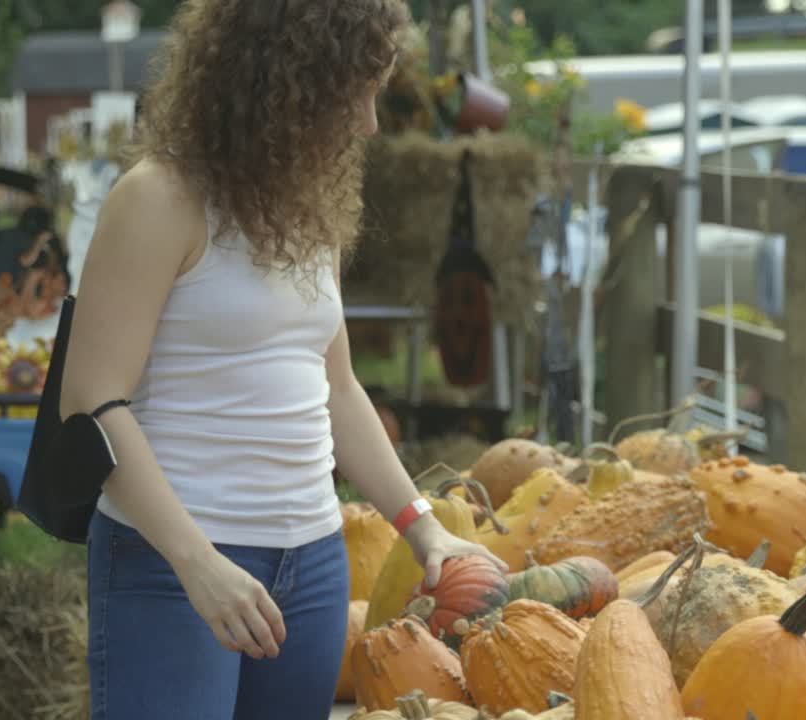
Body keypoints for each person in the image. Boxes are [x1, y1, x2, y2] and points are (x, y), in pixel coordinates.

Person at [58, 1, 506, 718]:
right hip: (173, 565)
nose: (369, 124)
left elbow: (338, 387)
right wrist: (197, 563)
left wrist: (421, 523)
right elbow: (90, 403)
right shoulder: (155, 199)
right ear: (280, 83)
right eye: (350, 94)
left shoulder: (306, 210)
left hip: (314, 565)